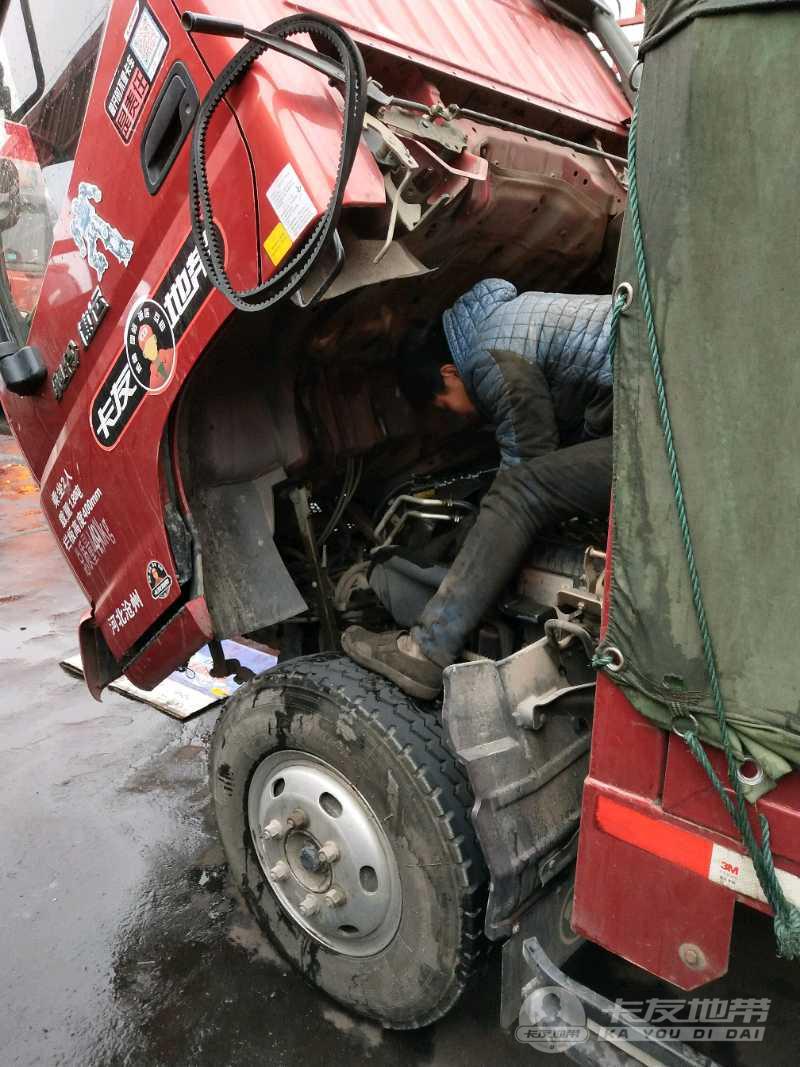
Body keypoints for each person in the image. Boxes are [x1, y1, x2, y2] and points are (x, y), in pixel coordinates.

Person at [341, 278, 615, 700]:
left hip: (656, 415)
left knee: (518, 493)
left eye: (442, 403)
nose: (450, 415)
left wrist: (466, 545)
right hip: (653, 403)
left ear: (449, 373)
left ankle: (426, 650)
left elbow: (529, 466)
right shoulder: (513, 322)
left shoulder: (491, 353)